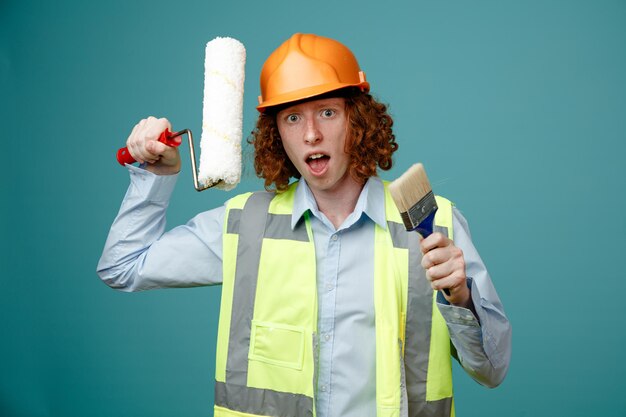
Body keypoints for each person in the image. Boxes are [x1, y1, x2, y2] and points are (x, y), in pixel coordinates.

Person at [97, 33, 511, 417]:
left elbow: (492, 371)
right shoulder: (245, 225)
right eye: (292, 118)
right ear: (276, 134)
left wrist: (460, 298)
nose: (311, 134)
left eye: (327, 112)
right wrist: (156, 174)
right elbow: (123, 265)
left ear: (358, 120)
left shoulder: (432, 223)